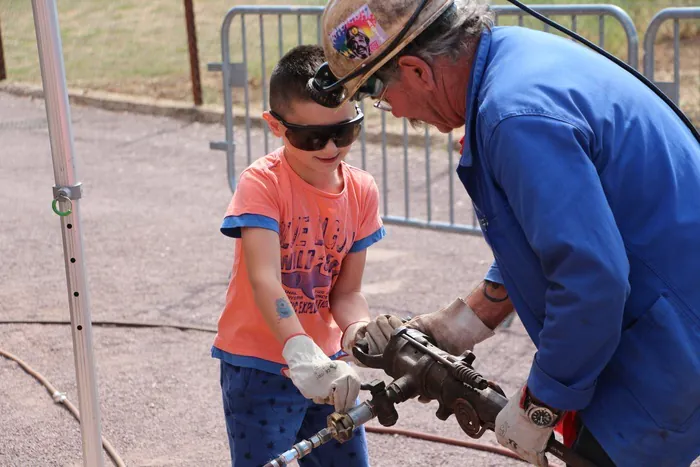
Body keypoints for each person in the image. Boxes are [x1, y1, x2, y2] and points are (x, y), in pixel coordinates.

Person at [313, 0, 700, 466]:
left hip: (676, 338)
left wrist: (540, 405)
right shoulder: (515, 60)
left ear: (416, 69)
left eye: (377, 90)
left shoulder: (513, 117)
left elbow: (590, 279)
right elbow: (553, 233)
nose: (391, 110)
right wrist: (465, 322)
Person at [210, 44, 398, 467]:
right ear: (276, 127)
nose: (330, 147)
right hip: (261, 367)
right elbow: (264, 278)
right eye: (311, 137)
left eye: (345, 131)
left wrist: (357, 333)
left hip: (330, 368)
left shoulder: (362, 189)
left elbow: (347, 293)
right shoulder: (262, 183)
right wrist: (297, 349)